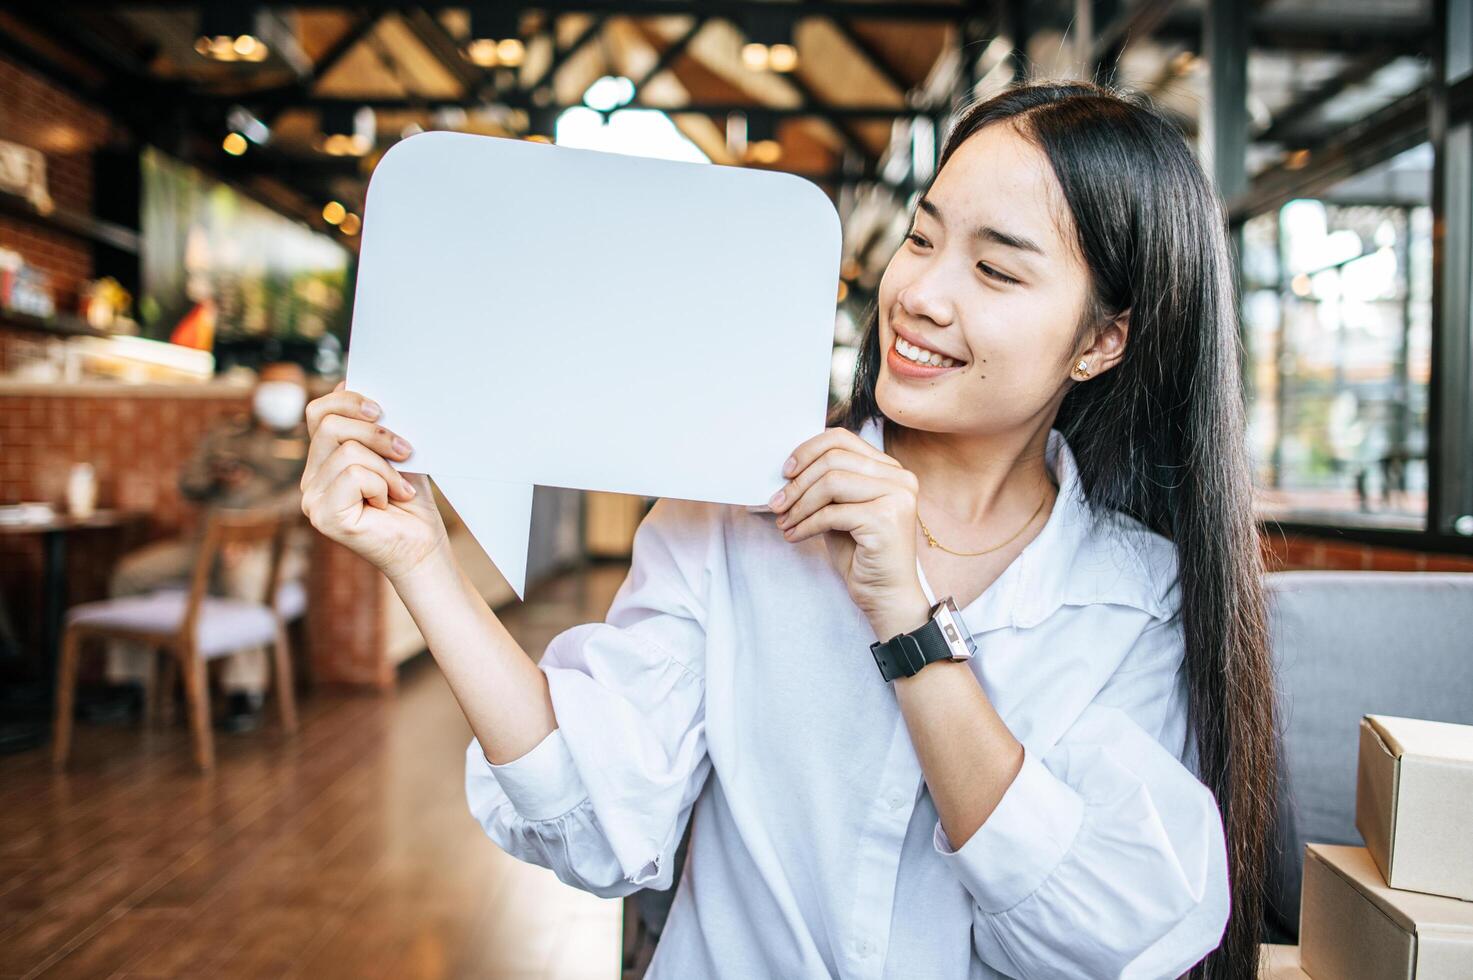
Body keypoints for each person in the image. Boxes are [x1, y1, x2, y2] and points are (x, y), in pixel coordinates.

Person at [300, 81, 1276, 979]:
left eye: (995, 269)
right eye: (924, 238)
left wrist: (909, 617)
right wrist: (421, 560)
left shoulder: (1138, 594)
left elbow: (1098, 933)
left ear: (1103, 339)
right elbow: (600, 817)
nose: (923, 293)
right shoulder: (741, 504)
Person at [105, 361, 311, 732]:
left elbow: (302, 497)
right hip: (206, 544)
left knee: (244, 577)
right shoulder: (225, 434)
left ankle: (243, 691)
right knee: (131, 574)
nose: (280, 396)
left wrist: (244, 533)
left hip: (271, 548)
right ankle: (129, 685)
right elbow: (189, 483)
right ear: (256, 391)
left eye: (289, 388)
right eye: (272, 387)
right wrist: (216, 478)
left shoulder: (309, 441)